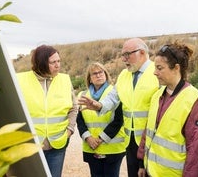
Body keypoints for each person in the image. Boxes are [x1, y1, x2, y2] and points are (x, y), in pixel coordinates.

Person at [78, 38, 160, 177]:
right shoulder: (124, 75)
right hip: (131, 142)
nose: (123, 59)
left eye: (127, 55)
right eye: (123, 55)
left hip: (153, 141)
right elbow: (114, 97)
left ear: (141, 52)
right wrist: (100, 105)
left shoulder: (157, 72)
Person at [137, 42, 198, 177]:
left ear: (176, 68)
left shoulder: (193, 101)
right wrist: (142, 163)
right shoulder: (157, 95)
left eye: (159, 68)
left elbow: (196, 153)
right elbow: (148, 130)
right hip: (151, 171)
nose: (154, 73)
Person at [17, 45, 77, 177]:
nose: (57, 65)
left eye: (59, 61)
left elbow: (73, 107)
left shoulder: (65, 80)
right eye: (53, 62)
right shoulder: (20, 80)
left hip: (58, 143)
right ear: (41, 63)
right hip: (31, 145)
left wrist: (70, 130)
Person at [76, 62, 125, 177]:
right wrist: (88, 138)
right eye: (94, 74)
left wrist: (100, 139)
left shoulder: (115, 93)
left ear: (106, 74)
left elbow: (119, 120)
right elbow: (80, 121)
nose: (98, 75)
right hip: (91, 148)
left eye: (101, 72)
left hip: (112, 148)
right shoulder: (83, 95)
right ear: (90, 79)